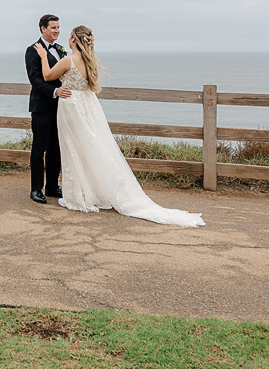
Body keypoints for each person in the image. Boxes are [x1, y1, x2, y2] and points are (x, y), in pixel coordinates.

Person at [33, 25, 205, 227]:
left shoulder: (67, 61)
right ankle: (89, 190)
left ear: (73, 40)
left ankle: (80, 194)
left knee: (74, 149)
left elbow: (46, 76)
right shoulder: (90, 63)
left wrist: (44, 56)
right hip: (87, 107)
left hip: (71, 106)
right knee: (89, 147)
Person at [24, 14, 72, 204]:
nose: (57, 31)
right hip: (42, 108)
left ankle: (52, 187)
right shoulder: (32, 51)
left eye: (58, 27)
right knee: (39, 149)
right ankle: (36, 189)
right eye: (53, 27)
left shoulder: (61, 50)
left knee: (56, 149)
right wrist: (55, 91)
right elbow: (35, 80)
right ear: (43, 29)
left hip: (61, 108)